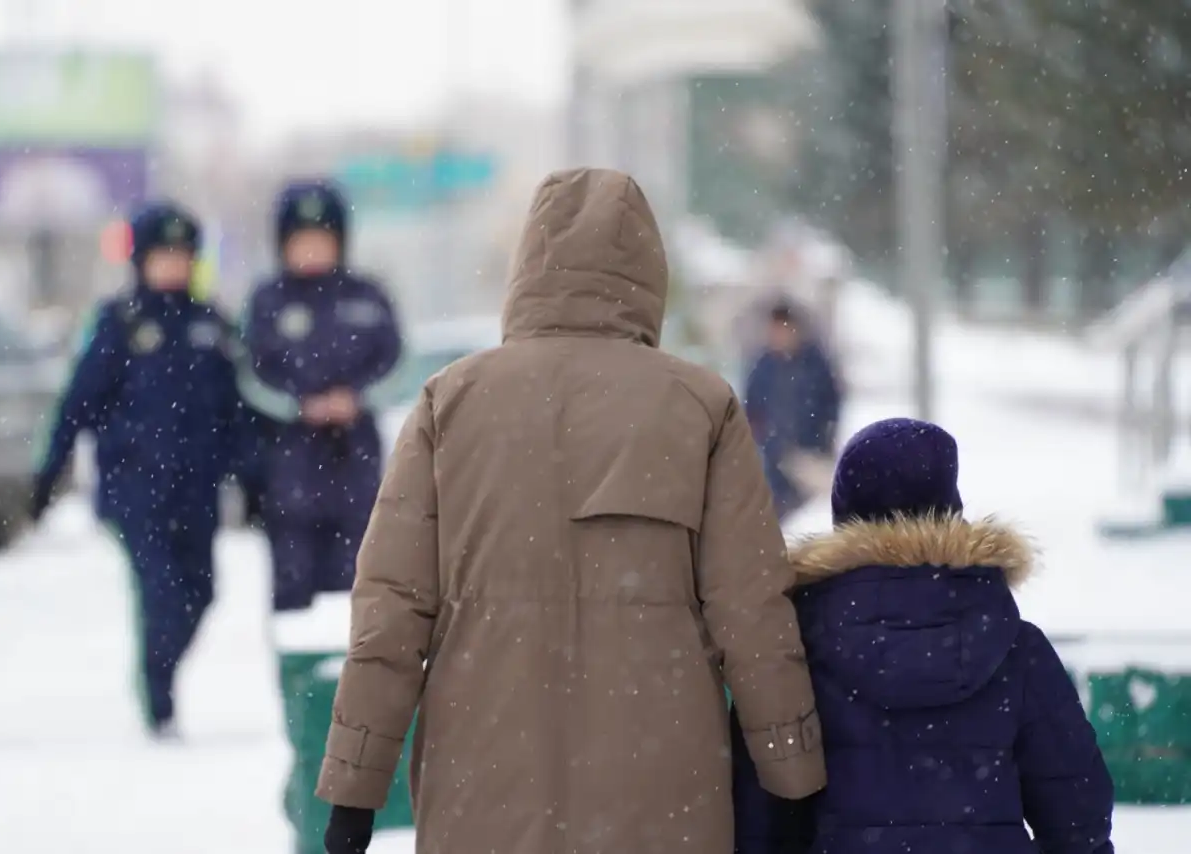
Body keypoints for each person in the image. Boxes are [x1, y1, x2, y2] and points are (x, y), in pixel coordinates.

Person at [316, 168, 826, 854]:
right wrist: (793, 776)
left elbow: (392, 611)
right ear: (649, 272)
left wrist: (355, 786)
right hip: (660, 792)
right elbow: (753, 610)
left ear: (529, 265)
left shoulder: (451, 402)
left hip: (484, 779)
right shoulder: (700, 406)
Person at [732, 418, 1115, 854]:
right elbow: (1078, 814)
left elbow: (759, 821)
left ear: (845, 518)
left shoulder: (795, 652)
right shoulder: (1015, 648)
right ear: (951, 509)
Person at [31, 200, 244, 738]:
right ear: (141, 260)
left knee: (202, 591)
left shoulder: (211, 324)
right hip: (136, 488)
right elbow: (79, 402)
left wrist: (252, 477)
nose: (171, 266)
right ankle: (160, 698)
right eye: (161, 255)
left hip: (197, 488)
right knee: (161, 593)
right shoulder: (120, 323)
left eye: (180, 256)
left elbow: (236, 410)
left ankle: (161, 669)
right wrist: (49, 472)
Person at [238, 179, 402, 610]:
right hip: (290, 474)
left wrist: (357, 399)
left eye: (321, 238)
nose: (312, 249)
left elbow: (400, 366)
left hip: (357, 471)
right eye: (301, 240)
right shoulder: (266, 302)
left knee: (360, 593)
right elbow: (248, 376)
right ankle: (299, 677)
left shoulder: (368, 297)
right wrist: (297, 406)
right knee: (294, 599)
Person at [743, 299, 842, 521]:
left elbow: (831, 404)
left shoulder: (815, 364)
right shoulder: (763, 366)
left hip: (809, 455)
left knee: (811, 517)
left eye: (783, 329)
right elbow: (751, 407)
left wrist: (822, 441)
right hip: (773, 458)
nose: (779, 336)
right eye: (774, 330)